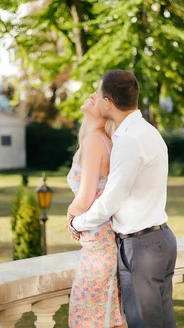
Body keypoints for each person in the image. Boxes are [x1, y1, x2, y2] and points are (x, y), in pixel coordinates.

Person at [69, 70, 177, 328]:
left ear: (108, 102)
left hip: (142, 247)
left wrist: (77, 224)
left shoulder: (128, 141)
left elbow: (109, 201)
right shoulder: (147, 132)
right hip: (159, 239)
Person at [66, 92, 123, 327]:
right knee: (105, 318)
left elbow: (85, 198)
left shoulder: (94, 142)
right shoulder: (103, 141)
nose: (93, 95)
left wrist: (70, 216)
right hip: (102, 242)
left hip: (98, 246)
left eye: (99, 96)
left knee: (86, 320)